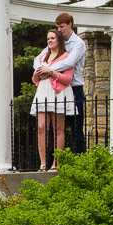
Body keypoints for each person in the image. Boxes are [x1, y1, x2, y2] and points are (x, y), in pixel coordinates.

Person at [42, 12, 87, 154]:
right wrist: (40, 69)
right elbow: (39, 58)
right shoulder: (57, 41)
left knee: (76, 128)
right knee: (55, 128)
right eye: (58, 27)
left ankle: (80, 161)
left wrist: (48, 69)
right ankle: (52, 162)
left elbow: (69, 62)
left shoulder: (78, 43)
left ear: (70, 25)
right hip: (57, 89)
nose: (60, 30)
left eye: (62, 26)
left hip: (74, 88)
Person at [30, 28, 75, 171]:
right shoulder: (43, 58)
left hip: (58, 93)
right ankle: (43, 163)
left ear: (59, 40)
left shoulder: (66, 57)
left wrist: (51, 72)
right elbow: (35, 79)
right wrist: (37, 74)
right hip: (43, 92)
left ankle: (56, 163)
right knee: (41, 127)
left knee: (58, 128)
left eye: (52, 38)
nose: (49, 41)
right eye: (48, 38)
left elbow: (67, 79)